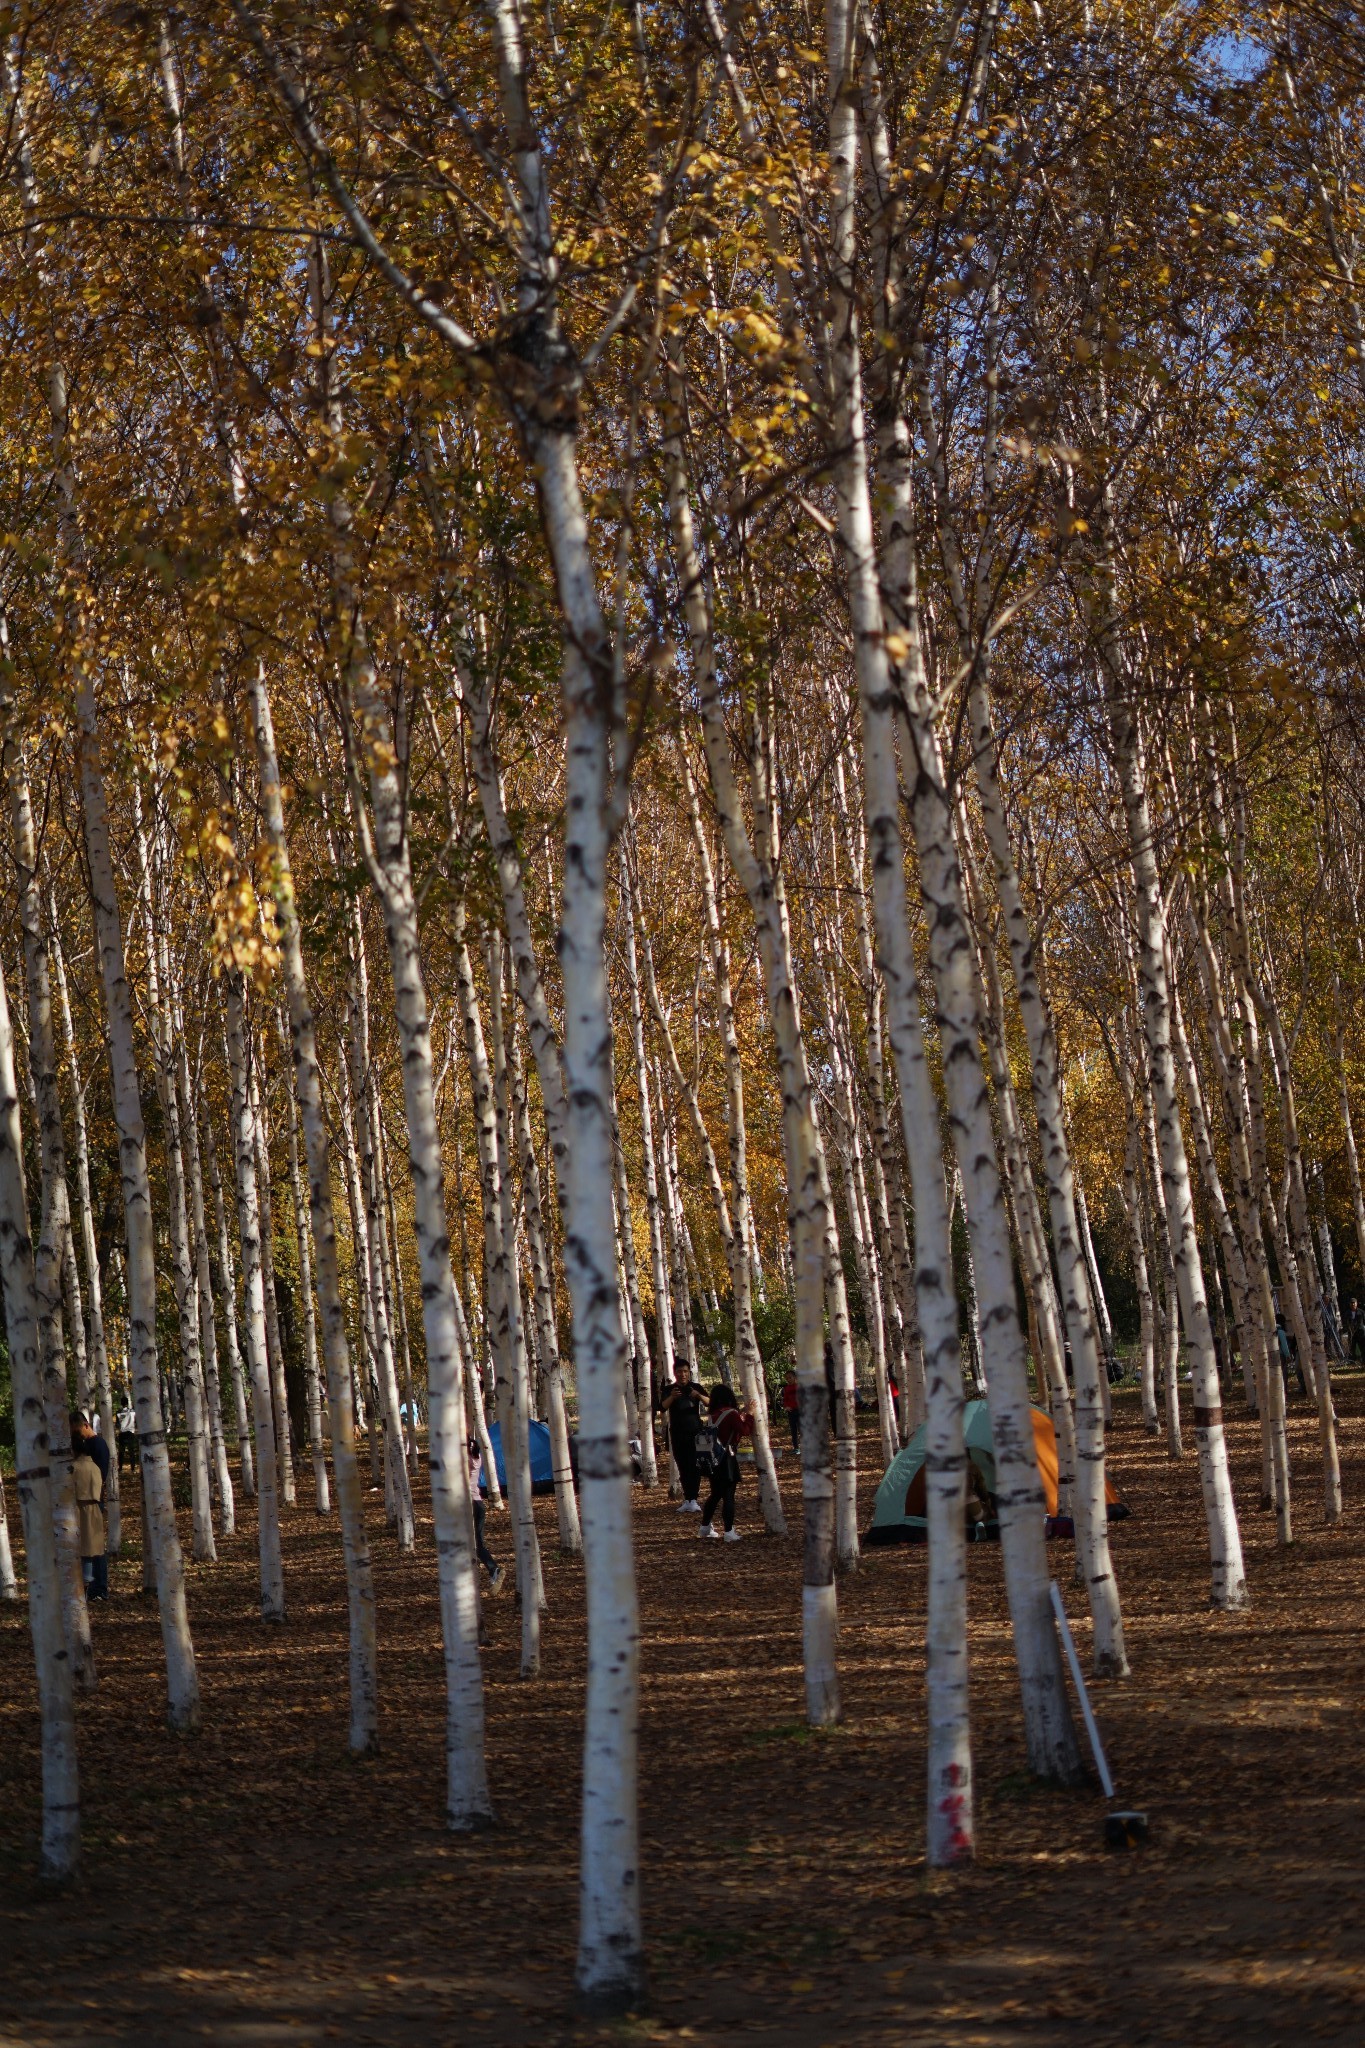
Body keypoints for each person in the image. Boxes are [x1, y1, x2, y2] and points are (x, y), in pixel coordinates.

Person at [698, 1382, 749, 1542]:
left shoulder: (713, 1416)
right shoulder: (731, 1413)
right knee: (728, 1495)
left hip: (713, 1459)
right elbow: (745, 1431)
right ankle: (729, 1531)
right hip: (727, 1458)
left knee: (715, 1493)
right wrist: (751, 1415)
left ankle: (705, 1527)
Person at [71, 1411, 110, 1598]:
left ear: (86, 1425)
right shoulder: (88, 1445)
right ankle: (92, 1586)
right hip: (88, 1501)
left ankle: (99, 1587)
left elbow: (100, 1476)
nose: (76, 1435)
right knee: (89, 1546)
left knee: (94, 1547)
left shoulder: (97, 1445)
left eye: (77, 1430)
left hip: (92, 1501)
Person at [661, 1360, 704, 1511]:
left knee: (695, 1465)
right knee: (682, 1465)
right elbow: (662, 1407)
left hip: (696, 1432)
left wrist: (697, 1395)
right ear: (675, 1373)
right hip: (677, 1432)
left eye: (685, 1371)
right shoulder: (669, 1389)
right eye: (679, 1371)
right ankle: (688, 1499)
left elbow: (711, 1402)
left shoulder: (696, 1387)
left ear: (689, 1372)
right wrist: (672, 1397)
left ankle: (694, 1499)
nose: (683, 1374)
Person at [468, 1439, 505, 1593]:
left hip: (468, 1504)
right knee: (478, 1543)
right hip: (478, 1503)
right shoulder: (476, 1457)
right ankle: (493, 1570)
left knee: (466, 1544)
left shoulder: (464, 1459)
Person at [779, 1367, 800, 1454]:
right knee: (793, 1430)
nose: (788, 1379)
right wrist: (786, 1407)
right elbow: (785, 1400)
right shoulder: (786, 1389)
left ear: (795, 1377)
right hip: (791, 1412)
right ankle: (796, 1448)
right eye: (787, 1378)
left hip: (800, 1411)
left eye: (790, 1377)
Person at [117, 1399, 138, 1473]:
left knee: (121, 1452)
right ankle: (133, 1469)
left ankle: (120, 1469)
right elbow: (135, 1421)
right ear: (127, 1403)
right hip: (130, 1432)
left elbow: (117, 1424)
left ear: (121, 1403)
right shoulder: (132, 1411)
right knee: (131, 1451)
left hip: (122, 1433)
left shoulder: (119, 1412)